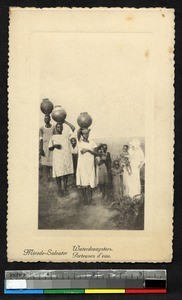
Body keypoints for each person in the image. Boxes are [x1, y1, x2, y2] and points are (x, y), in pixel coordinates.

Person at [48, 120, 75, 196]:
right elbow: (50, 148)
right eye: (58, 127)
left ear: (62, 128)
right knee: (58, 174)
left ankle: (65, 189)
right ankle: (59, 189)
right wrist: (55, 146)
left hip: (65, 157)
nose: (60, 128)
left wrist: (65, 121)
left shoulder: (66, 135)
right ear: (56, 128)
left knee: (65, 173)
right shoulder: (53, 137)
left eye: (61, 127)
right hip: (57, 157)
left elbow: (73, 128)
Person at [76, 128, 98, 205]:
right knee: (84, 183)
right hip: (82, 165)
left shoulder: (92, 143)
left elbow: (96, 153)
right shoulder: (79, 143)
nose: (86, 135)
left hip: (90, 165)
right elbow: (78, 133)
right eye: (84, 134)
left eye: (87, 133)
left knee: (90, 183)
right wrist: (81, 127)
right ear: (82, 135)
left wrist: (88, 150)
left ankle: (90, 199)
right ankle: (85, 200)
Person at [39, 114, 54, 181]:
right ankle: (47, 177)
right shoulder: (42, 128)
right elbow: (41, 139)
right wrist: (41, 149)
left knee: (52, 162)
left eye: (47, 118)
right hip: (44, 148)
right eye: (45, 119)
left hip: (52, 147)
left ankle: (52, 176)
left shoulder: (53, 127)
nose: (46, 120)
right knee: (45, 163)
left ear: (50, 119)